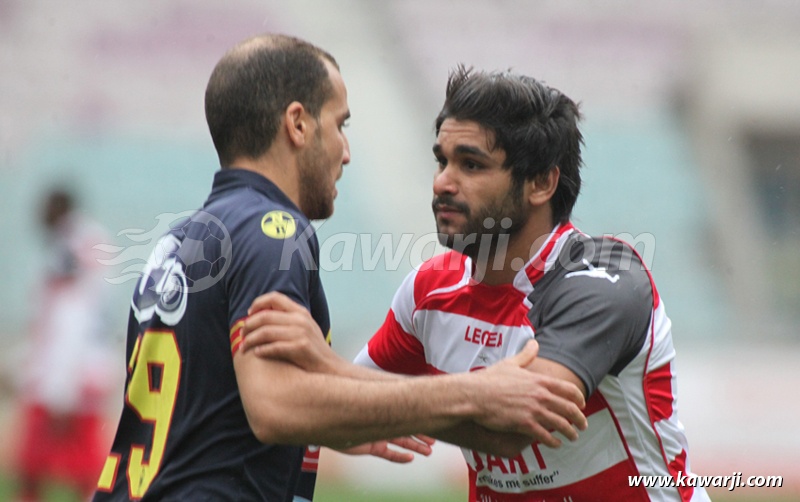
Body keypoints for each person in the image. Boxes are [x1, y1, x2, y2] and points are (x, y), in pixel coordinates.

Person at [92, 35, 587, 502]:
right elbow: (275, 406)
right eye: (340, 124)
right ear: (298, 125)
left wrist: (337, 420)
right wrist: (474, 392)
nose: (346, 152)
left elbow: (219, 404)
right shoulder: (272, 230)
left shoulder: (181, 239)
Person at [242, 67, 711, 501]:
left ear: (542, 183)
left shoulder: (603, 280)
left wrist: (327, 366)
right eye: (442, 161)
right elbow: (348, 413)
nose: (443, 182)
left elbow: (515, 428)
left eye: (471, 165)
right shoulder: (428, 292)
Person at [15, 189, 117, 502]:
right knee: (85, 476)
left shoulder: (67, 247)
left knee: (33, 472)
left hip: (65, 380)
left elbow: (68, 321)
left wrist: (59, 387)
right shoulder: (89, 239)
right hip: (86, 373)